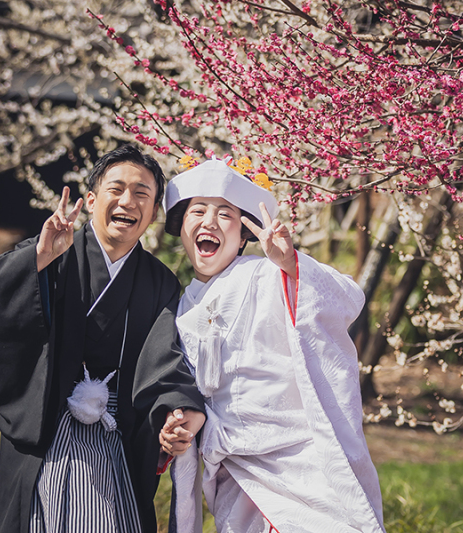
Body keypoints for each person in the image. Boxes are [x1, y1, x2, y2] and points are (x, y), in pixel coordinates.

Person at [0, 144, 205, 533]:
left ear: (154, 213)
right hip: (46, 423)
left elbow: (166, 357)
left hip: (115, 431)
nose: (128, 201)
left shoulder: (160, 283)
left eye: (142, 193)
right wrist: (38, 259)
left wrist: (175, 408)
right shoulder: (54, 250)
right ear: (91, 200)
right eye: (116, 189)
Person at [160, 158, 385, 533]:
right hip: (235, 468)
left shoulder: (266, 273)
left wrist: (292, 265)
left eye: (225, 215)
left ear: (246, 232)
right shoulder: (179, 307)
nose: (210, 222)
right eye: (197, 210)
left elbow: (346, 300)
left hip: (299, 457)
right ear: (182, 225)